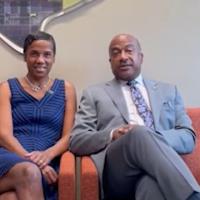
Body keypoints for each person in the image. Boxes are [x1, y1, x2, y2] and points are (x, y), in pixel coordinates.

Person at [69, 33, 200, 200]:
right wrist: (112, 134)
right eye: (116, 53)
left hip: (157, 170)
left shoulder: (168, 91)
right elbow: (77, 141)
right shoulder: (94, 93)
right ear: (110, 62)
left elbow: (188, 137)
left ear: (141, 57)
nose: (123, 57)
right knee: (138, 133)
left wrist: (151, 137)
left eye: (129, 51)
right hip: (119, 171)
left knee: (150, 186)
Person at [0, 31, 76, 200]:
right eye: (34, 54)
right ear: (25, 57)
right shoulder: (6, 88)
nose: (40, 60)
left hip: (49, 161)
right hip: (9, 159)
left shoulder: (66, 89)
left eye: (47, 55)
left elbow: (69, 136)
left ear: (54, 58)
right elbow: (4, 136)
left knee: (11, 198)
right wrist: (36, 162)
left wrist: (46, 156)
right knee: (29, 171)